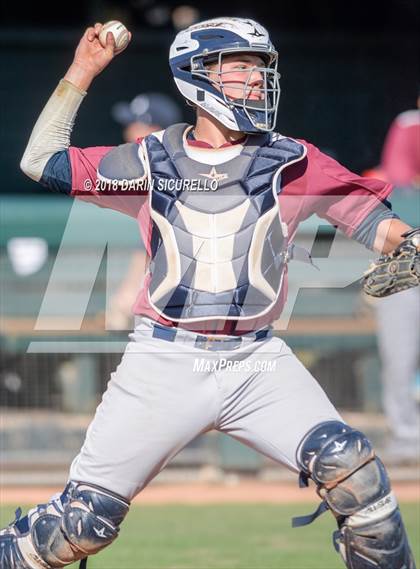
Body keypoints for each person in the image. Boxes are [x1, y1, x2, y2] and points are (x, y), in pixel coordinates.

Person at [1, 18, 417, 569]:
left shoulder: (293, 159)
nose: (255, 82)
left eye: (260, 70)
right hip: (164, 357)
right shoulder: (151, 159)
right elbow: (40, 161)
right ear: (196, 77)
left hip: (256, 360)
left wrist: (410, 242)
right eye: (240, 69)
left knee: (353, 470)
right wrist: (82, 71)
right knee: (81, 525)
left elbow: (372, 220)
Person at [372, 100, 420, 464]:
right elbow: (399, 176)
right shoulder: (409, 125)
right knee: (399, 357)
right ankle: (407, 442)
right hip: (405, 272)